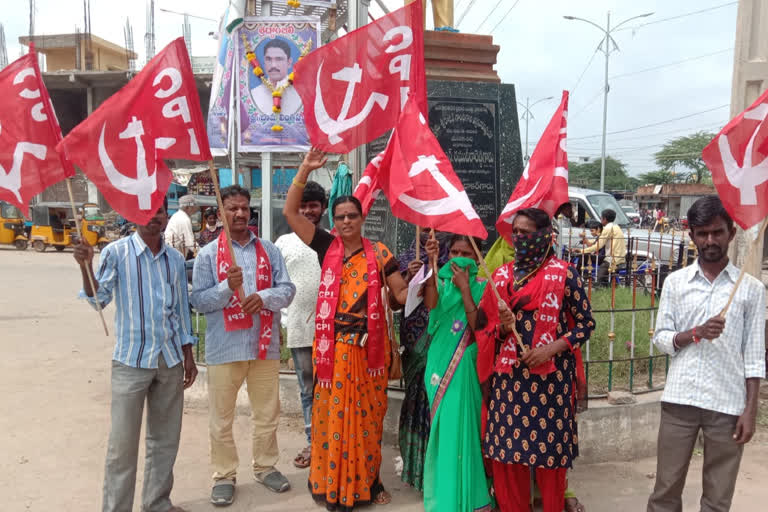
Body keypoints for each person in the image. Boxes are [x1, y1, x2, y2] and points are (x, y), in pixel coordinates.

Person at [283, 147, 409, 510]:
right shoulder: (326, 246)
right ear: (333, 221)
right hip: (335, 353)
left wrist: (413, 282)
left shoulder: (381, 253)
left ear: (362, 216)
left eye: (352, 215)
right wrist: (304, 170)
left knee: (368, 421)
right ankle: (331, 484)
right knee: (333, 420)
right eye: (340, 217)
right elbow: (291, 212)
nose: (346, 222)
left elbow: (398, 295)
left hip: (370, 355)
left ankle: (370, 482)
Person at [73, 197, 197, 512]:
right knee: (122, 447)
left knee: (165, 440)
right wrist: (85, 268)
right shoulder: (117, 253)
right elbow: (99, 299)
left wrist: (188, 354)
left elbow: (181, 310)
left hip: (168, 359)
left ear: (167, 216)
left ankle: (156, 502)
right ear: (132, 215)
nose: (154, 217)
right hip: (131, 362)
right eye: (147, 211)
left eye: (160, 211)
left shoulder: (174, 259)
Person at [647, 196, 765, 512]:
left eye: (716, 232)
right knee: (665, 490)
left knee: (718, 496)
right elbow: (661, 339)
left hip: (727, 404)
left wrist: (750, 411)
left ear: (731, 233)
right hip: (680, 401)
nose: (709, 240)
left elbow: (754, 356)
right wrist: (695, 333)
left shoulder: (751, 289)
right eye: (702, 233)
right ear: (692, 236)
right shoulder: (675, 283)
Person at [476, 207, 595, 512]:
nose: (518, 238)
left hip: (550, 382)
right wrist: (502, 326)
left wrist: (550, 349)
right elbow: (487, 329)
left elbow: (585, 325)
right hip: (508, 381)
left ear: (544, 236)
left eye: (525, 233)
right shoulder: (500, 276)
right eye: (515, 232)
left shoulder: (564, 273)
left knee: (549, 458)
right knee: (507, 455)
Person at [191, 185, 296, 506]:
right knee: (221, 418)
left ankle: (265, 466)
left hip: (264, 347)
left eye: (244, 208)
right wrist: (227, 287)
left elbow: (287, 290)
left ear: (251, 212)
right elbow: (198, 301)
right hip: (225, 348)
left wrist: (263, 298)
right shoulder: (208, 254)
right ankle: (224, 475)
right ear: (220, 213)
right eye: (232, 208)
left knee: (267, 413)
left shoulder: (269, 250)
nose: (239, 214)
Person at [421, 234, 492, 512]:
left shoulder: (484, 287)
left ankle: (471, 498)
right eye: (454, 252)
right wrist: (430, 262)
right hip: (439, 362)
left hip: (466, 363)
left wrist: (465, 288)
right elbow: (430, 306)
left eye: (466, 252)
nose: (459, 258)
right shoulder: (438, 281)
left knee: (464, 429)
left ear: (477, 258)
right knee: (442, 429)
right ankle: (445, 493)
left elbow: (479, 327)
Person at [274, 180, 328, 470]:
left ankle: (331, 441)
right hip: (299, 329)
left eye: (314, 205)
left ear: (323, 208)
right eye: (303, 205)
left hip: (332, 333)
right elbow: (276, 285)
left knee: (331, 389)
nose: (308, 210)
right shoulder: (283, 243)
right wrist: (282, 323)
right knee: (308, 390)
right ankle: (313, 443)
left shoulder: (332, 239)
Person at [396, 227, 451, 491]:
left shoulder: (456, 255)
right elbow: (395, 302)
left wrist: (435, 266)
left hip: (444, 340)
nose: (432, 230)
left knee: (439, 404)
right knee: (416, 401)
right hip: (414, 345)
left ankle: (440, 469)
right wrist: (409, 275)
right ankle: (416, 469)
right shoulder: (407, 255)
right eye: (426, 223)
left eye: (438, 224)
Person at [573, 208, 626, 285]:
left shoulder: (608, 228)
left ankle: (577, 279)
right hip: (619, 257)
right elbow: (597, 242)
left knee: (599, 279)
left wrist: (582, 251)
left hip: (612, 259)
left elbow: (598, 246)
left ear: (604, 219)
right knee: (585, 257)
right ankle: (582, 277)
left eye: (601, 218)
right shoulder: (616, 227)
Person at [250, 38, 302, 116]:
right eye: (268, 59)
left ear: (289, 62)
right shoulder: (255, 94)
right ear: (264, 62)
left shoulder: (300, 95)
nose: (273, 65)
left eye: (279, 59)